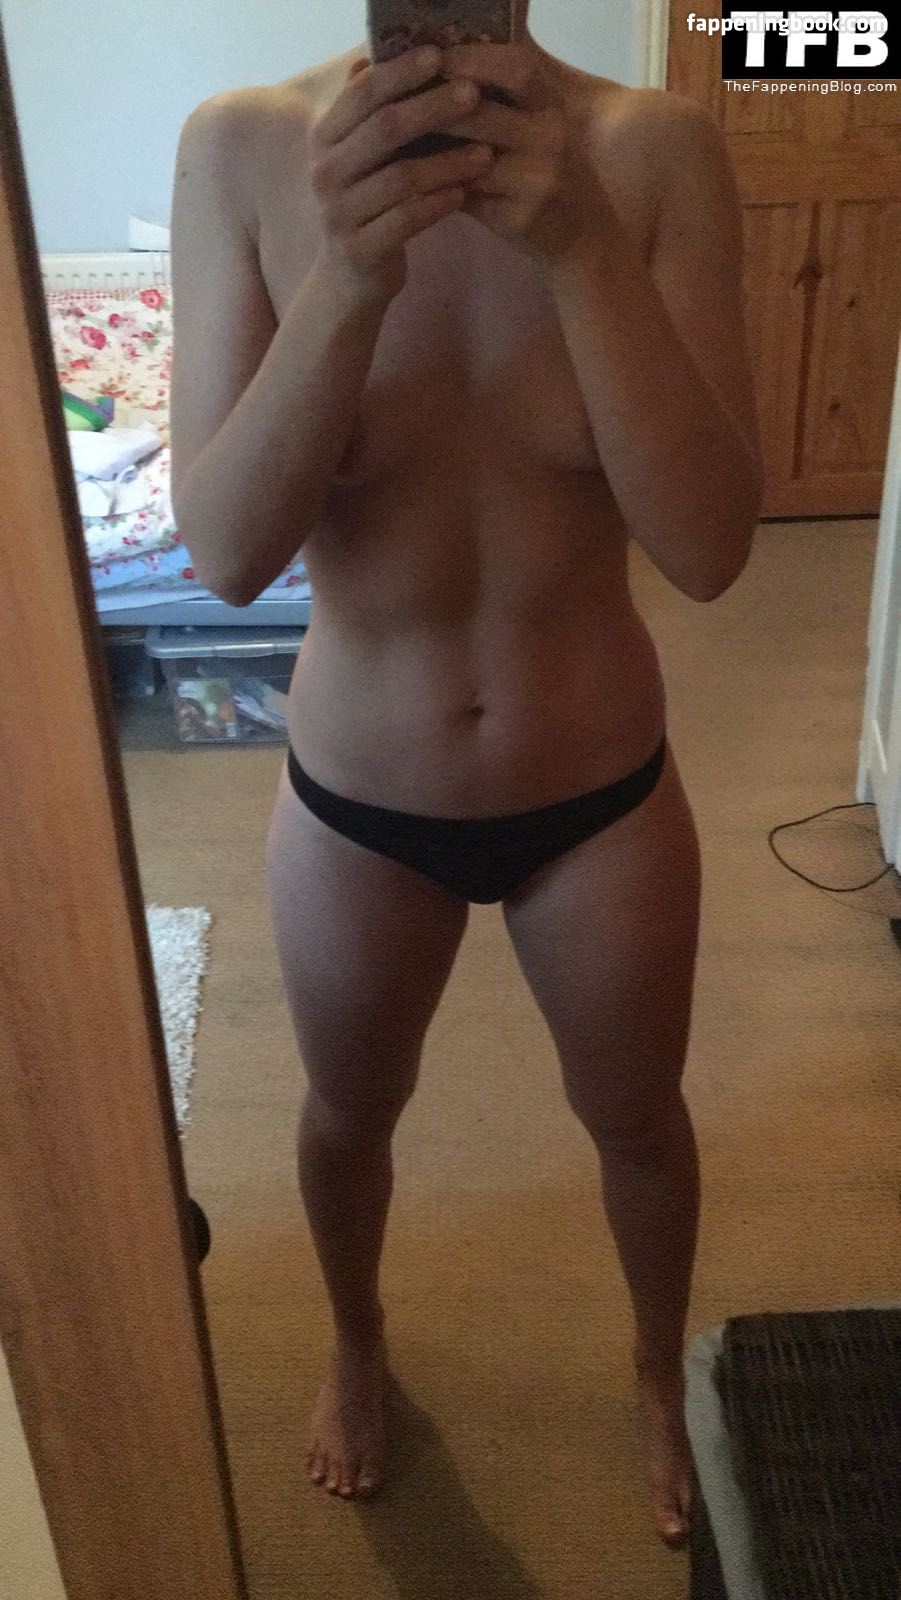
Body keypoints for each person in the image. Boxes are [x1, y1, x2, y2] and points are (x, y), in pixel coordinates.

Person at [169, 0, 763, 1548]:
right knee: (346, 1113)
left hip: (599, 788)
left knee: (636, 1121)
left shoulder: (652, 152)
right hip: (355, 799)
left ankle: (656, 1371)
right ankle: (356, 1343)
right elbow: (224, 553)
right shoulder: (242, 150)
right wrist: (349, 277)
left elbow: (706, 548)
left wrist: (583, 251)